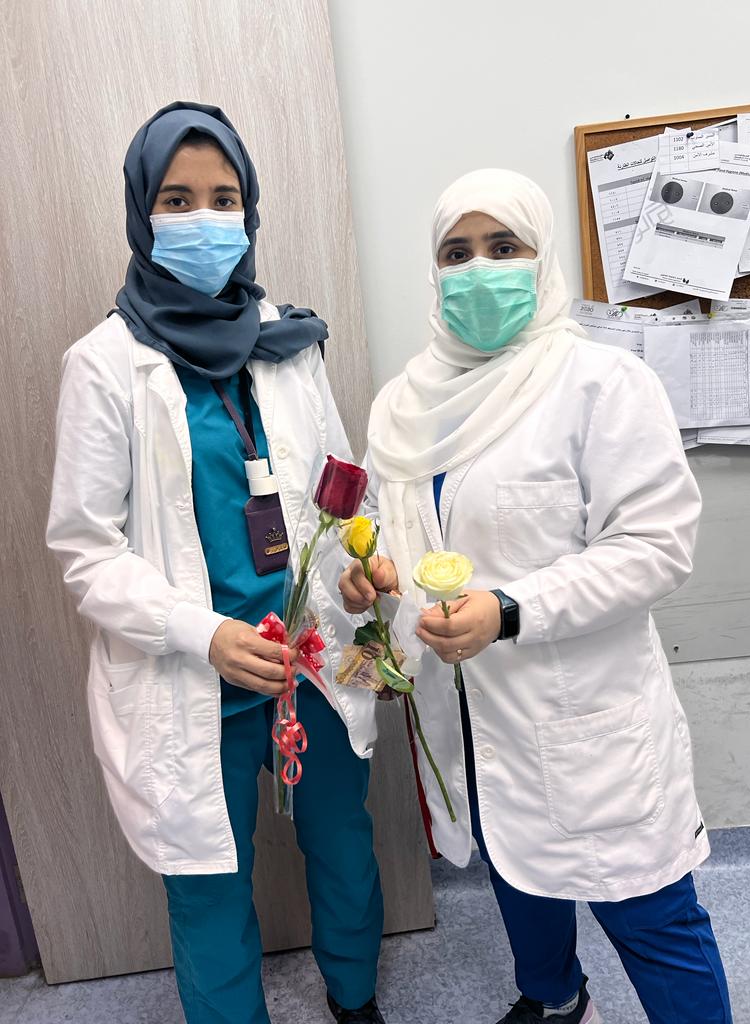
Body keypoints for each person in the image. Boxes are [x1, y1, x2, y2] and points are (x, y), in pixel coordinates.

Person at [340, 169, 732, 1024]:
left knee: (651, 912)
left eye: (503, 247)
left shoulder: (602, 384)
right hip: (470, 710)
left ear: (540, 257)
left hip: (585, 713)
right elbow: (386, 525)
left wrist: (509, 609)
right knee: (517, 871)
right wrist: (373, 573)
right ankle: (556, 999)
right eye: (457, 253)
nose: (479, 270)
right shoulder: (405, 405)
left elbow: (656, 546)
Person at [47, 101, 385, 1024]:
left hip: (311, 660)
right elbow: (84, 550)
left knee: (344, 844)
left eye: (224, 198)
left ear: (250, 208)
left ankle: (357, 1000)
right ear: (141, 212)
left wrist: (362, 563)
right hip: (193, 671)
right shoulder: (104, 365)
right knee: (206, 887)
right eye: (177, 199)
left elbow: (341, 487)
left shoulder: (289, 340)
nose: (204, 219)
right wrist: (204, 635)